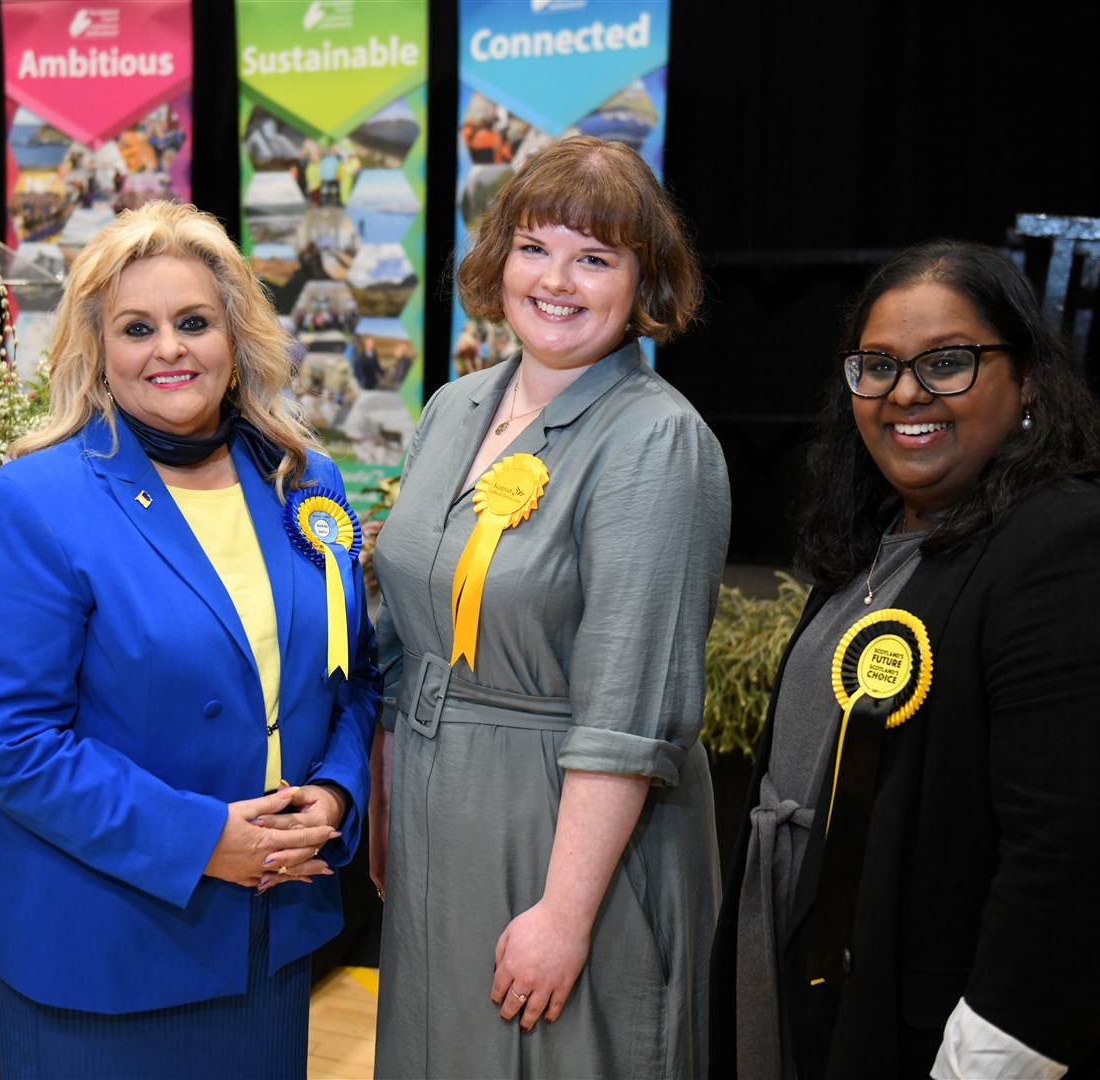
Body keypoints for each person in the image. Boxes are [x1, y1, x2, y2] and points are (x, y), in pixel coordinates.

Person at [710, 240, 1100, 1079]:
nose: (907, 392)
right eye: (877, 366)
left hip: (950, 1040)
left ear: (1028, 379)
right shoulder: (883, 544)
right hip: (812, 989)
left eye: (948, 362)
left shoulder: (1080, 546)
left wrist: (985, 1060)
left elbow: (1083, 862)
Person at [0, 201, 379, 1078]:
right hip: (103, 951)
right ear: (97, 349)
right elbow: (7, 738)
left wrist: (334, 796)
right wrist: (199, 840)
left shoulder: (306, 479)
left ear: (237, 335)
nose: (170, 349)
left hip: (271, 935)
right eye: (136, 328)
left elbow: (355, 673)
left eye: (194, 322)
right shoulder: (36, 500)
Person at [371, 135, 731, 1077]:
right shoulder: (453, 407)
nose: (557, 281)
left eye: (596, 258)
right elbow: (404, 636)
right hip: (431, 809)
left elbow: (627, 716)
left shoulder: (658, 442)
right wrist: (385, 796)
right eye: (535, 248)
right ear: (499, 259)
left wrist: (565, 916)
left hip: (564, 838)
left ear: (643, 282)